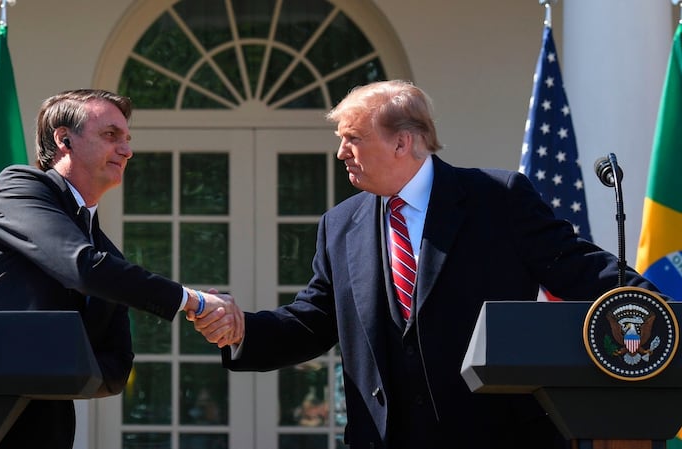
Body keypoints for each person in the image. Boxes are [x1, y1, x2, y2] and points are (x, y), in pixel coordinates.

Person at [194, 80, 661, 449]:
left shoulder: (497, 200)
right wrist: (242, 331)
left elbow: (578, 268)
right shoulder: (340, 224)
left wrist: (657, 310)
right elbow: (314, 320)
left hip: (496, 436)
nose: (341, 153)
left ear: (403, 143)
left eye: (353, 139)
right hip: (384, 437)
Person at [0, 89, 242, 449]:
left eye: (127, 139)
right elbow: (82, 269)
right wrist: (191, 301)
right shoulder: (17, 189)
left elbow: (117, 369)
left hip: (46, 430)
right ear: (64, 139)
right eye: (110, 135)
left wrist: (55, 364)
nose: (127, 150)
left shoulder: (106, 255)